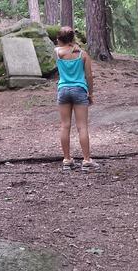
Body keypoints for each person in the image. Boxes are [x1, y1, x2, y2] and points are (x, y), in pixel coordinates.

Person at [54, 26, 97, 172]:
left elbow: (60, 47)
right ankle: (86, 160)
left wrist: (69, 44)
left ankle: (67, 159)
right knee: (82, 127)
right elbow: (89, 76)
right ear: (73, 38)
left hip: (63, 90)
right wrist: (90, 94)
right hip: (80, 90)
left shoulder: (57, 53)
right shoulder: (83, 54)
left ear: (60, 39)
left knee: (65, 125)